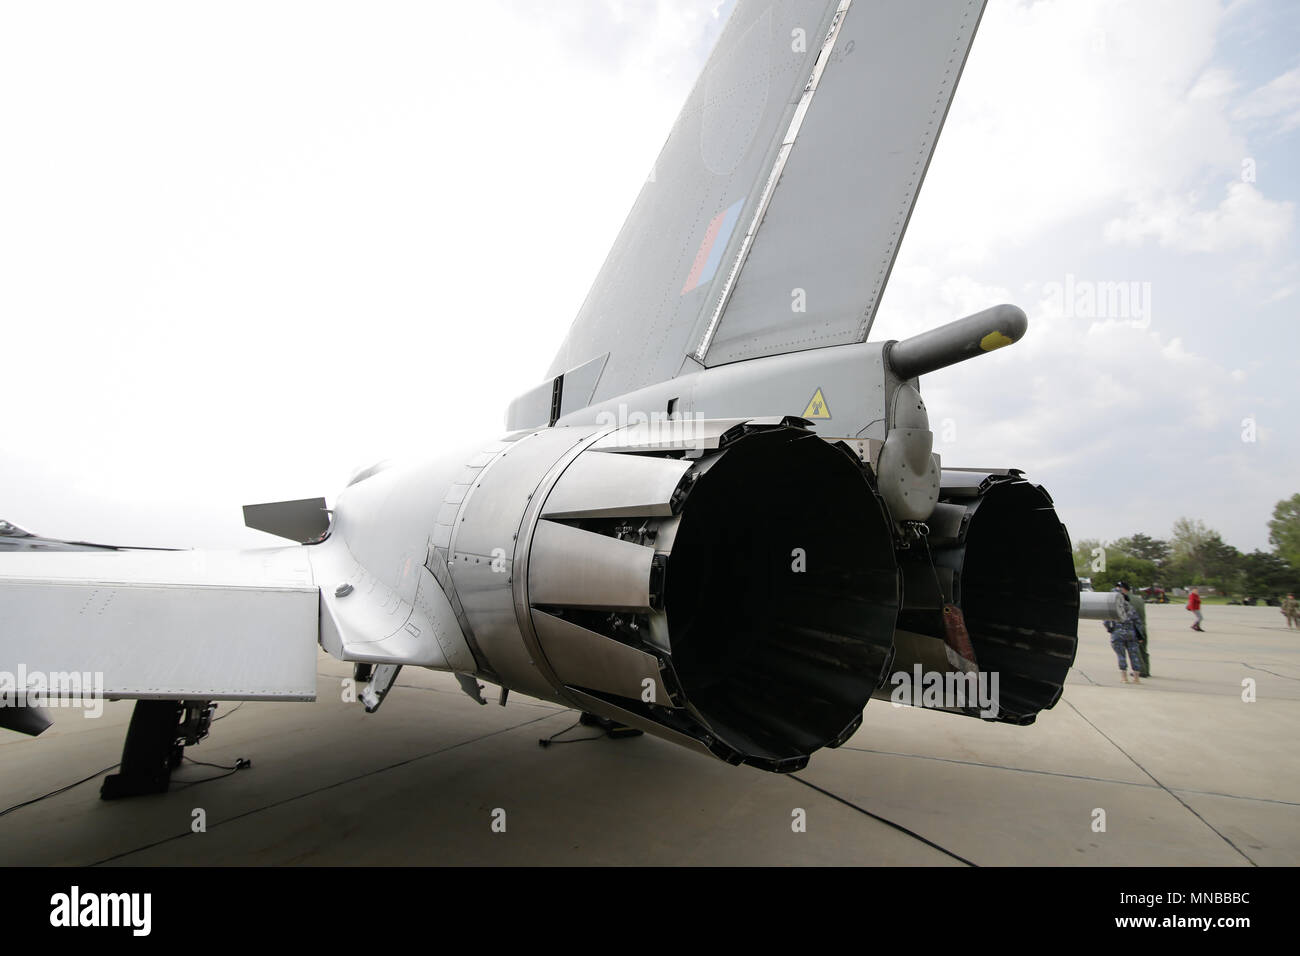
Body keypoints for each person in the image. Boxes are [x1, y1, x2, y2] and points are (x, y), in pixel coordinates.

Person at [1105, 585, 1143, 683]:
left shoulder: (1110, 608)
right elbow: (1138, 622)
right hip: (1131, 634)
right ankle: (1136, 678)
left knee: (1121, 656)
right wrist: (1139, 636)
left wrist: (1111, 630)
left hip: (1117, 634)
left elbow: (1106, 622)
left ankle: (1124, 678)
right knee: (1134, 656)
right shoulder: (1129, 607)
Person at [1117, 581, 1149, 677]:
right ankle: (1147, 669)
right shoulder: (1138, 599)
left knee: (1136, 650)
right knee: (1143, 650)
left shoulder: (1125, 600)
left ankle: (1141, 671)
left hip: (1133, 627)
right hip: (1142, 626)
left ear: (1123, 589)